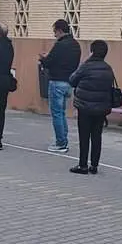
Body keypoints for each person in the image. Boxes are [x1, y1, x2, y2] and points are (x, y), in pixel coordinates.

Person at [68, 40, 117, 174]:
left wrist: (84, 62)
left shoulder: (86, 67)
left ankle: (82, 165)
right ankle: (94, 166)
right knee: (97, 136)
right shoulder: (108, 68)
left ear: (92, 52)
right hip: (101, 108)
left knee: (84, 136)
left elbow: (72, 80)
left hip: (84, 107)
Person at [38, 19, 81, 153]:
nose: (54, 35)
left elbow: (49, 62)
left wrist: (43, 58)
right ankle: (63, 140)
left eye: (54, 32)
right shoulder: (75, 45)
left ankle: (61, 143)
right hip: (69, 82)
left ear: (60, 30)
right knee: (62, 113)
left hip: (57, 82)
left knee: (57, 114)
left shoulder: (60, 45)